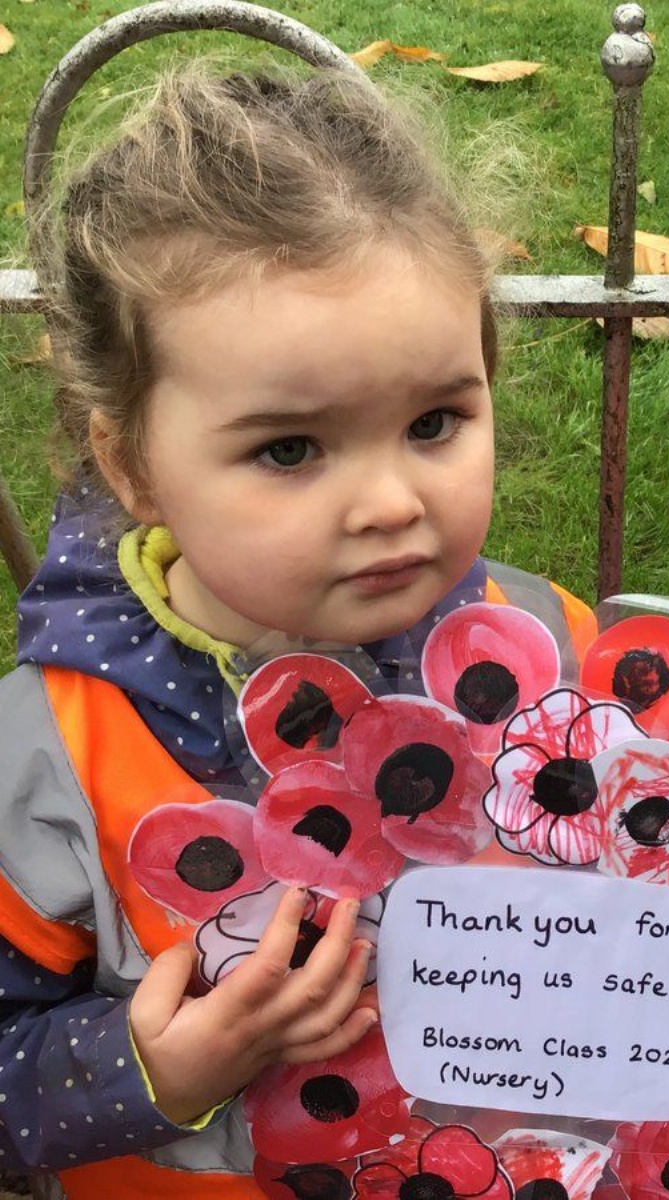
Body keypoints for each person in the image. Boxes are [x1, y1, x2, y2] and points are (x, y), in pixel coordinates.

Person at [0, 64, 593, 1197]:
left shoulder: (541, 641)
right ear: (131, 464)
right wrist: (151, 1071)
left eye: (434, 422)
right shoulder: (52, 755)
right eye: (289, 449)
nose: (387, 503)